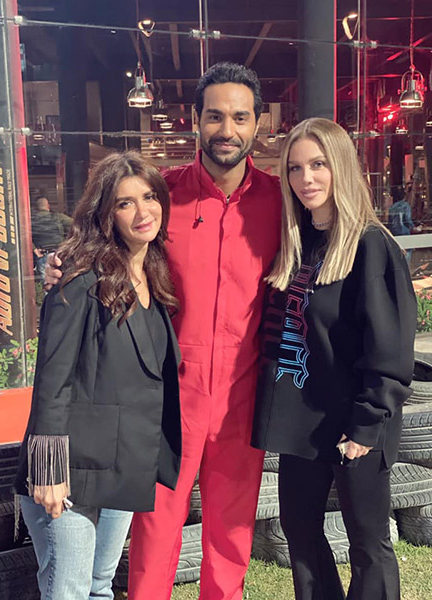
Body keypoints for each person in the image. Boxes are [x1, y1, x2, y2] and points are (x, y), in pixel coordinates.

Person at [45, 62, 282, 600]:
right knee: (153, 529)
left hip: (243, 394)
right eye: (215, 116)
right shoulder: (160, 196)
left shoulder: (278, 200)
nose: (227, 129)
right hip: (164, 395)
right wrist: (56, 264)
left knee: (232, 531)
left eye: (240, 117)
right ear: (195, 120)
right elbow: (100, 236)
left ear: (258, 124)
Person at [251, 118, 417, 600]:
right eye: (295, 168)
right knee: (299, 530)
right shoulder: (297, 244)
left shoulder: (371, 244)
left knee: (367, 543)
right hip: (302, 419)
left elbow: (390, 345)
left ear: (341, 166)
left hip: (356, 420)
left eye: (318, 164)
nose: (306, 179)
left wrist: (366, 424)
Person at [15, 151, 182, 600]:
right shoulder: (79, 280)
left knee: (99, 587)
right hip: (70, 472)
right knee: (69, 592)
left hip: (121, 465)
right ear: (105, 214)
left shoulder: (153, 275)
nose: (142, 211)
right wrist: (48, 471)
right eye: (125, 203)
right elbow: (52, 382)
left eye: (149, 197)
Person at [31, 196, 73, 279]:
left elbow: (25, 237)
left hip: (43, 256)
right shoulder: (58, 217)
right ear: (48, 206)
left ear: (36, 208)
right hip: (59, 254)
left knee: (47, 283)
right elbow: (75, 224)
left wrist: (35, 250)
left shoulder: (32, 220)